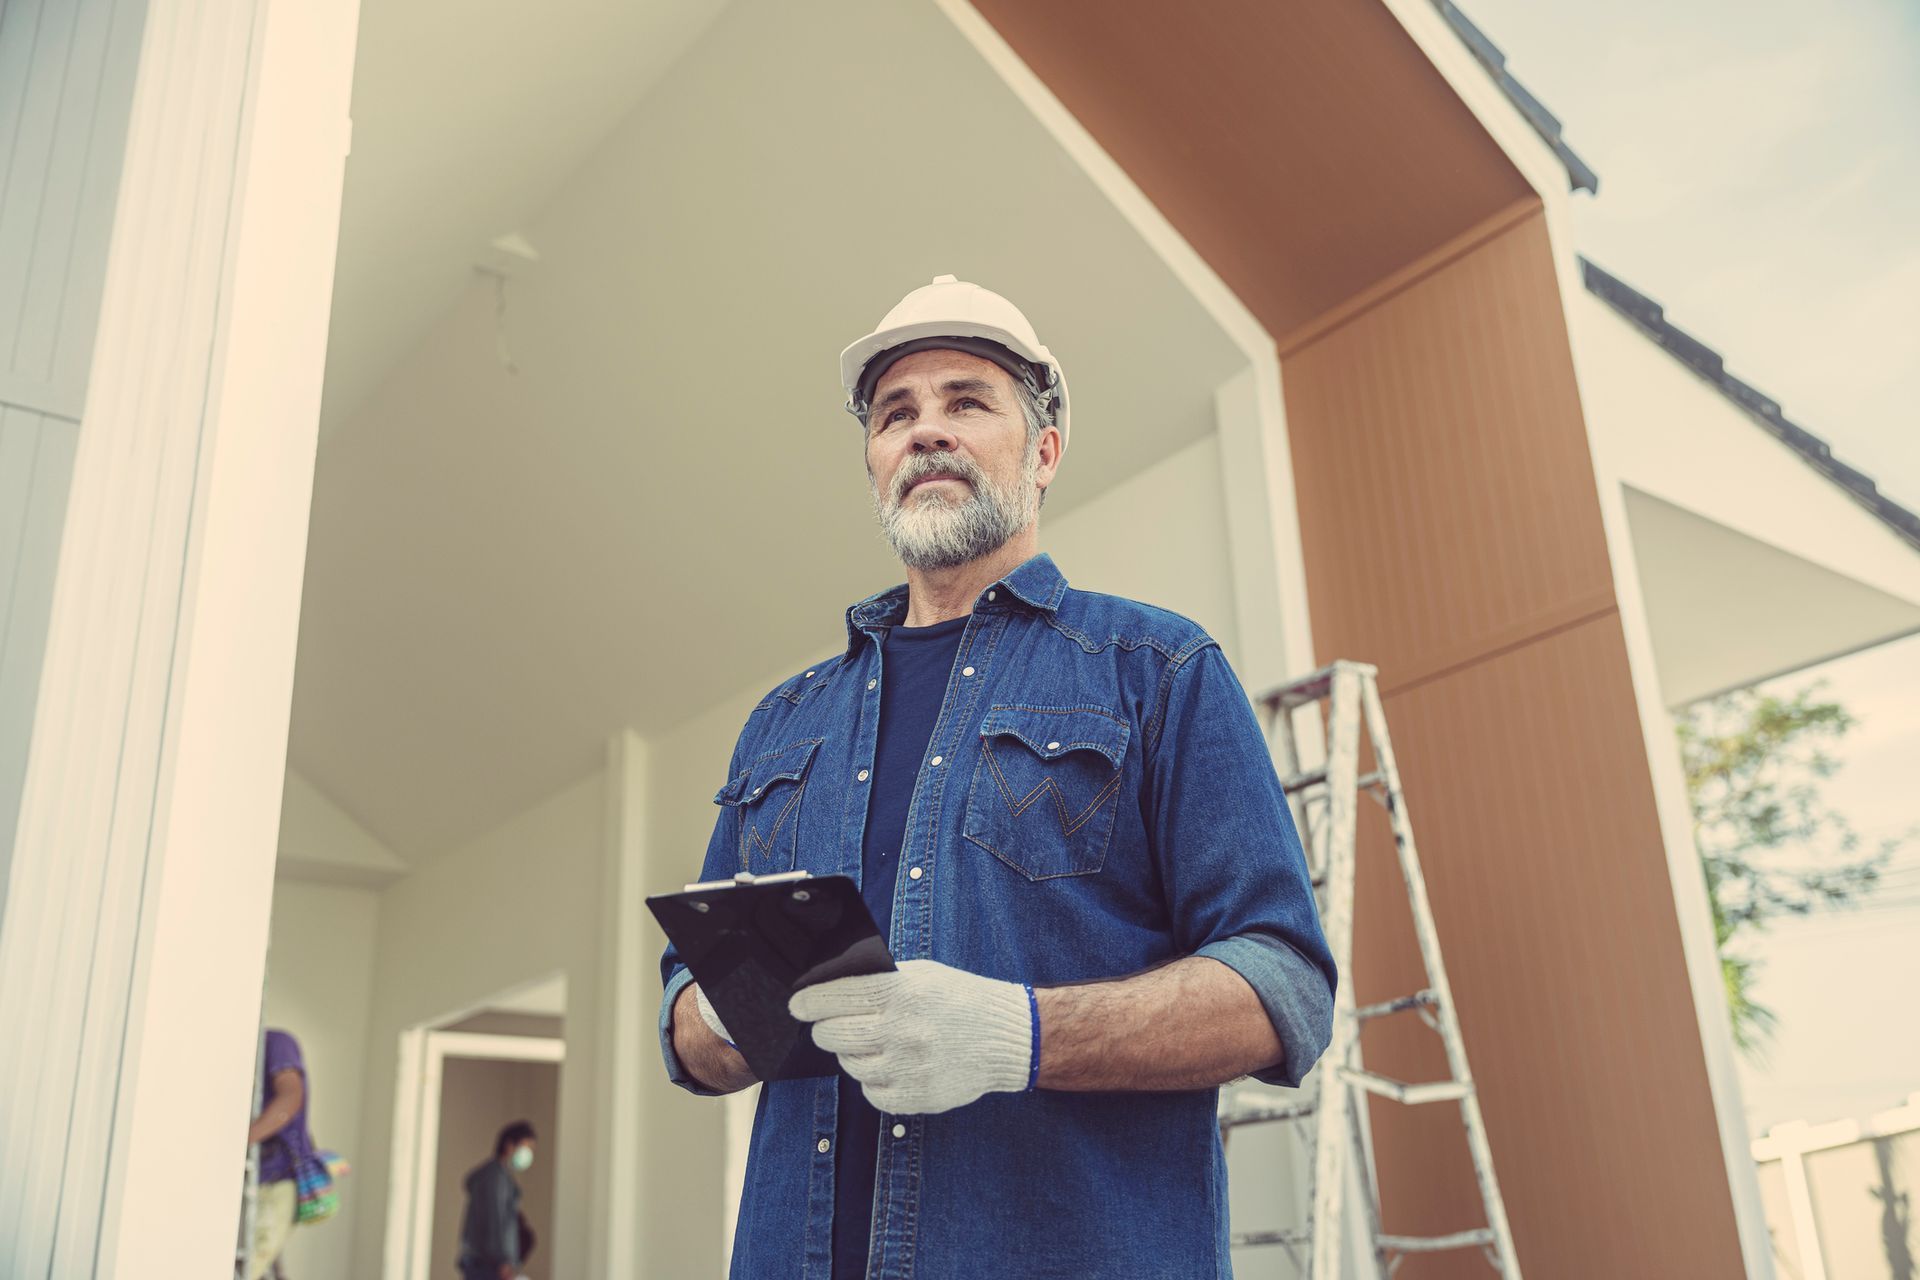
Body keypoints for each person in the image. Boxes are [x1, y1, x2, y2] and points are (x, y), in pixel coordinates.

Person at [658, 276, 1337, 1278]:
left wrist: (1019, 1035)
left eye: (966, 401)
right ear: (876, 466)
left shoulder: (1157, 670)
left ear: (1045, 451)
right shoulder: (783, 725)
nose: (927, 431)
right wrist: (726, 1011)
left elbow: (1285, 984)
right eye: (898, 414)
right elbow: (686, 1026)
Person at [245, 1028, 314, 1280]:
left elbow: (290, 1097)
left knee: (254, 1261)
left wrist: (240, 1142)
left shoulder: (275, 1042)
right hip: (257, 1177)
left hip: (279, 1175)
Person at [457, 1121, 536, 1280]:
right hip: (487, 1265)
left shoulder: (498, 1178)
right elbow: (497, 1219)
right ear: (509, 1145)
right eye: (525, 1147)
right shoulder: (495, 1178)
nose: (528, 1154)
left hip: (481, 1262)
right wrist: (503, 1261)